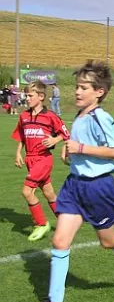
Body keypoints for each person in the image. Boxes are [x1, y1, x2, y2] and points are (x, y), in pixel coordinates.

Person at [28, 60, 114, 302]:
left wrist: (81, 149)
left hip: (98, 188)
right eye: (76, 87)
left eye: (84, 87)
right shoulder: (80, 116)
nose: (77, 92)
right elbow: (78, 145)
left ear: (99, 92)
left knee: (108, 242)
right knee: (59, 241)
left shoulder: (101, 117)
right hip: (74, 186)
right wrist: (69, 151)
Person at [11, 81, 70, 241]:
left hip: (43, 159)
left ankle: (41, 223)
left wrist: (54, 140)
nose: (27, 98)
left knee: (27, 191)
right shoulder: (23, 116)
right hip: (30, 159)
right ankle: (66, 222)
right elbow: (21, 137)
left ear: (41, 96)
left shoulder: (50, 116)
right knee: (49, 193)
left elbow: (66, 134)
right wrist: (18, 153)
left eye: (30, 95)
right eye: (26, 95)